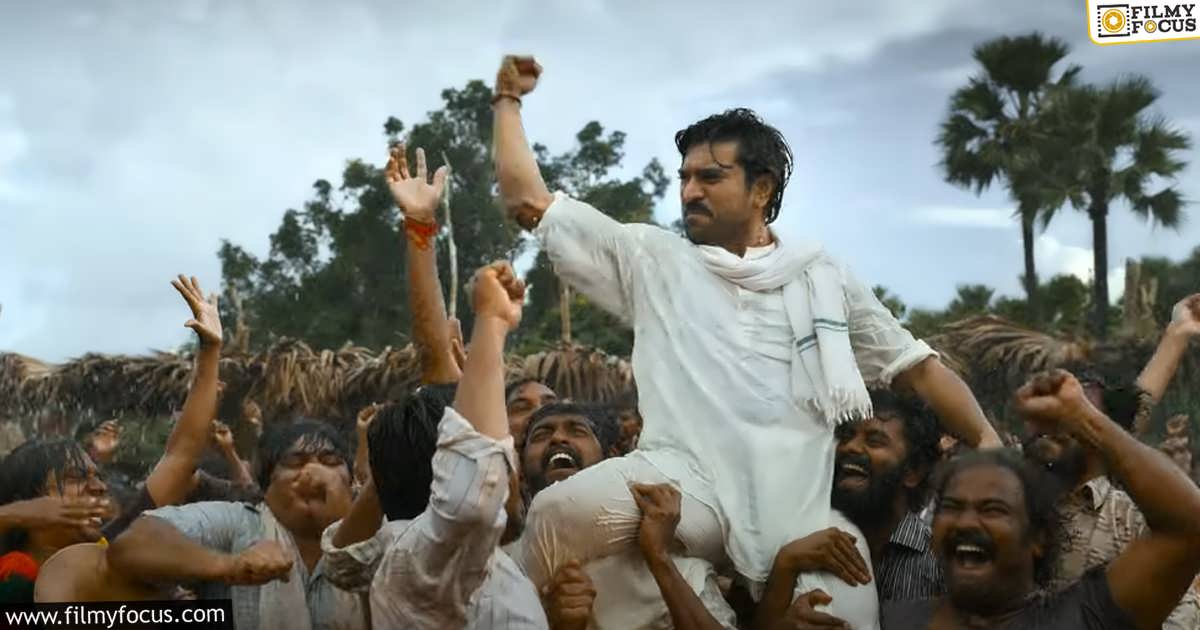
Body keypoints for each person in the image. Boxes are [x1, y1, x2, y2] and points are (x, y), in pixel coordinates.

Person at [492, 54, 1000, 623]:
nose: (690, 191)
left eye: (710, 177)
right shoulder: (654, 259)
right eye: (684, 177)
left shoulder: (822, 276)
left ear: (761, 189)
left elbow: (916, 366)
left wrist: (989, 442)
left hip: (799, 510)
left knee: (844, 618)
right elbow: (528, 203)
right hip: (682, 488)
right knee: (556, 511)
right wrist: (507, 100)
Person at [873, 370, 1200, 629]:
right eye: (951, 507)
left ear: (1038, 537)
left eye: (992, 510)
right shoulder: (884, 621)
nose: (966, 522)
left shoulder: (1082, 617)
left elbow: (1188, 525)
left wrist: (1083, 418)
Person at [1023, 295, 1200, 628]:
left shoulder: (1137, 521)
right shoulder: (1006, 498)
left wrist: (1177, 334)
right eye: (1043, 409)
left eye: (1070, 415)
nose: (1051, 422)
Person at [106, 417, 363, 629]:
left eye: (330, 463)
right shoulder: (238, 522)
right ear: (266, 483)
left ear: (351, 482)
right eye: (295, 463)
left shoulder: (376, 533)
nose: (314, 474)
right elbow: (134, 543)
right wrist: (229, 565)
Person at [756, 389, 943, 628]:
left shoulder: (937, 564)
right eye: (845, 436)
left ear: (913, 471)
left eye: (874, 441)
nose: (850, 447)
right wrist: (786, 566)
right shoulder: (795, 536)